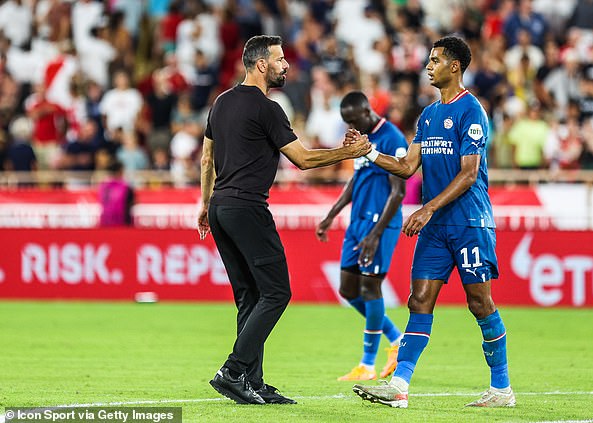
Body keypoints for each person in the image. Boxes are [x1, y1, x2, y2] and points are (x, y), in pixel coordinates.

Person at [196, 35, 371, 406]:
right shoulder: (268, 109)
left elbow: (207, 158)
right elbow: (304, 160)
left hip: (220, 207)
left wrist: (204, 204)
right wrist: (348, 151)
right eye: (279, 59)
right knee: (277, 292)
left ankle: (252, 382)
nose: (286, 65)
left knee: (249, 297)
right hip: (247, 207)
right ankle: (233, 370)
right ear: (261, 65)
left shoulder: (221, 103)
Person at [351, 36, 515, 409]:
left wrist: (426, 208)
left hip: (470, 222)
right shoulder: (427, 115)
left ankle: (501, 388)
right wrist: (371, 152)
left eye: (435, 60)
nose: (428, 66)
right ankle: (399, 386)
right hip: (437, 227)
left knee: (479, 302)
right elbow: (408, 166)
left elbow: (469, 174)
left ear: (454, 66)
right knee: (419, 299)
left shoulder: (471, 110)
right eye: (429, 60)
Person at [315, 91, 408, 382]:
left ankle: (367, 364)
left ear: (368, 111)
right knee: (347, 290)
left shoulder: (393, 138)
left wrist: (376, 234)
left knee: (370, 289)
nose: (351, 128)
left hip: (381, 225)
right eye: (347, 123)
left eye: (354, 121)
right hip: (357, 224)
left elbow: (399, 191)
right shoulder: (360, 140)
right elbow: (357, 179)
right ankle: (396, 339)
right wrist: (332, 214)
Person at [98, 160, 134, 227]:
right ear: (119, 171)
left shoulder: (103, 186)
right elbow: (131, 203)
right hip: (122, 223)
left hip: (105, 222)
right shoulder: (125, 187)